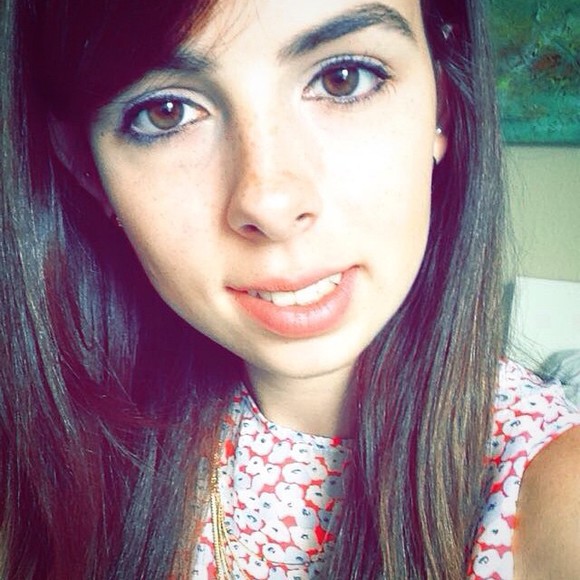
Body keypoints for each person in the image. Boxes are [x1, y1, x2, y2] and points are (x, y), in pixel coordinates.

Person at [1, 0, 579, 578]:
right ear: (87, 169)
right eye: (166, 112)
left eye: (343, 78)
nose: (271, 206)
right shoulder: (48, 463)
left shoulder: (552, 492)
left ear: (442, 104)